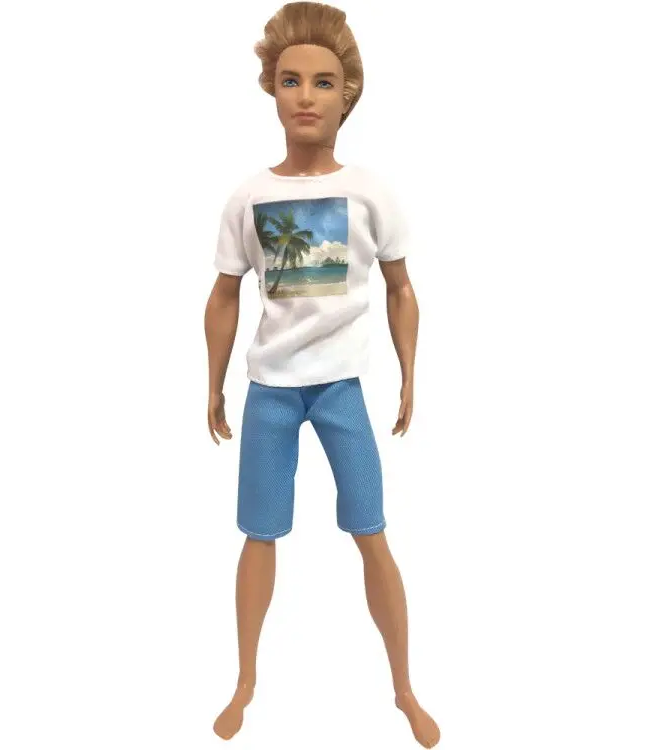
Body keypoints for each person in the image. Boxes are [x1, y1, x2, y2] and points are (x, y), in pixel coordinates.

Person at [204, 3, 440, 747]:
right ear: (271, 90)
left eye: (323, 82)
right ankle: (245, 680)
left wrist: (409, 374)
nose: (305, 96)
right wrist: (212, 383)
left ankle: (404, 687)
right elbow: (223, 295)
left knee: (371, 531)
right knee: (259, 534)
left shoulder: (371, 192)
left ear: (348, 95)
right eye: (290, 80)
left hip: (342, 390)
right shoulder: (249, 197)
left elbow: (402, 289)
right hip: (270, 392)